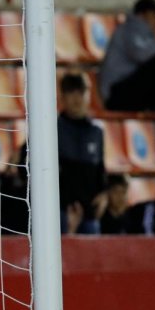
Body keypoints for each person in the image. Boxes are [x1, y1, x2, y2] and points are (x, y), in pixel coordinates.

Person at [56, 73, 106, 235]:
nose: (77, 98)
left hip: (89, 212)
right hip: (60, 210)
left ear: (88, 95)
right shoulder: (52, 128)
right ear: (62, 96)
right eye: (71, 92)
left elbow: (100, 168)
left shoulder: (96, 131)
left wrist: (104, 193)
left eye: (81, 92)